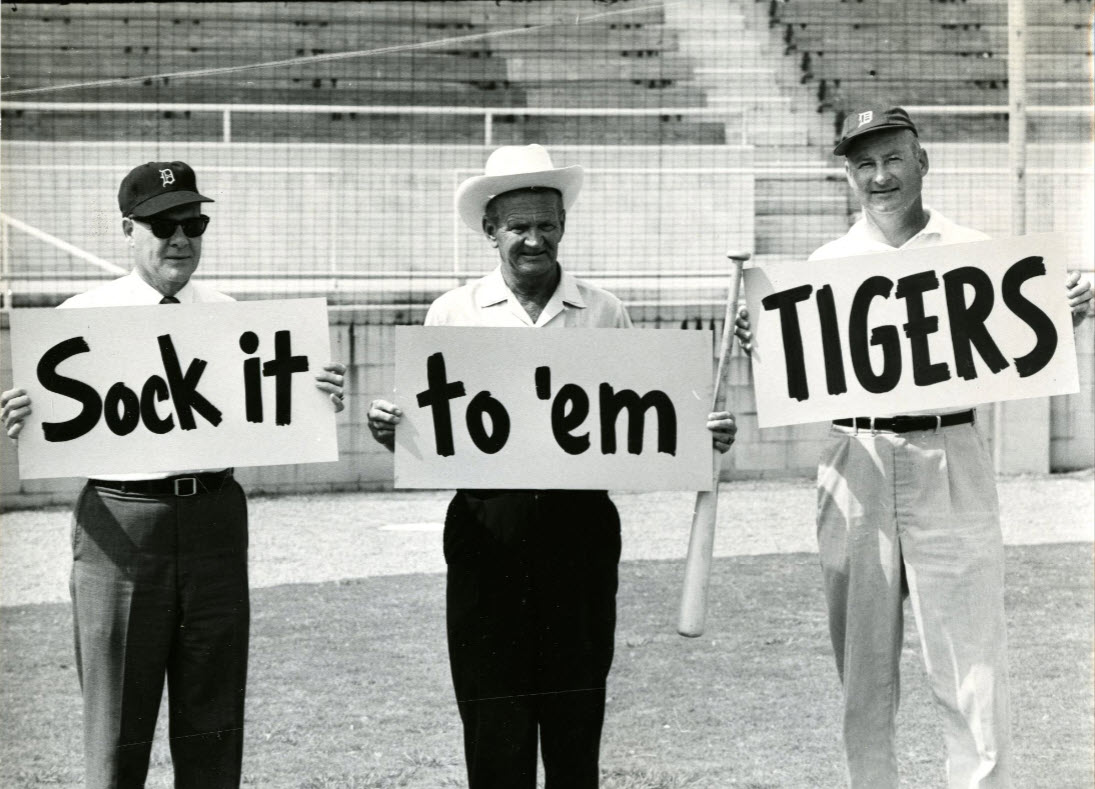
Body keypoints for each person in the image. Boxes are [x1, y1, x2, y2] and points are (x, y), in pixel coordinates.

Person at [735, 107, 1093, 788]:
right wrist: (768, 350)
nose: (879, 176)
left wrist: (1061, 305)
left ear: (921, 161)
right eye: (862, 164)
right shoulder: (822, 268)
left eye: (892, 158)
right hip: (855, 453)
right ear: (846, 174)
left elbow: (1019, 338)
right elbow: (798, 372)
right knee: (862, 667)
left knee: (969, 661)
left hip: (947, 448)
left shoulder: (974, 253)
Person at [367, 144, 737, 789]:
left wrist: (705, 436)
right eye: (518, 226)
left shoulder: (604, 311)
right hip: (488, 524)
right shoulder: (451, 313)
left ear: (563, 225)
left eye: (547, 223)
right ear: (490, 231)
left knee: (574, 710)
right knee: (492, 710)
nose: (534, 239)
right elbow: (428, 430)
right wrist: (388, 429)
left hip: (579, 525)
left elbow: (649, 420)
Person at [0, 161, 347, 789]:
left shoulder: (235, 318)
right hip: (122, 522)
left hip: (215, 514)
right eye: (163, 224)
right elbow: (54, 421)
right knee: (116, 727)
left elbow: (276, 404)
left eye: (194, 222)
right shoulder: (79, 318)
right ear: (127, 229)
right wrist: (24, 413)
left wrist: (316, 393)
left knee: (213, 721)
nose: (180, 238)